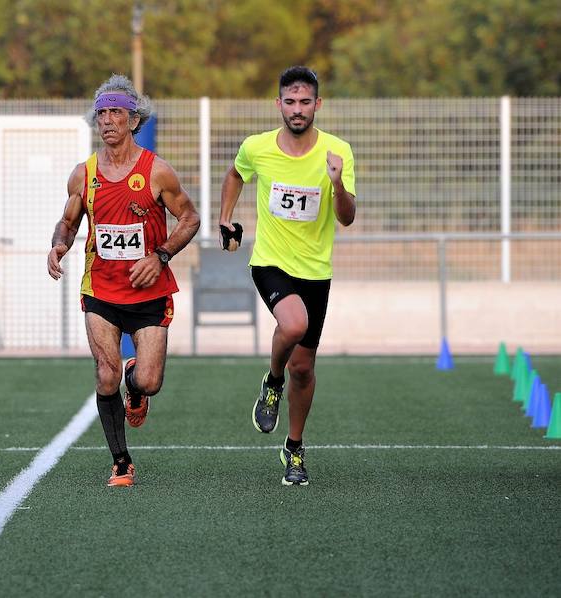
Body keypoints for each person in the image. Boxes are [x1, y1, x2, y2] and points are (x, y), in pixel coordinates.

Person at [47, 74, 200, 487]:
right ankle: (120, 462)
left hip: (149, 291)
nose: (108, 120)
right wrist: (59, 245)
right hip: (100, 290)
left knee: (148, 380)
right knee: (104, 373)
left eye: (116, 112)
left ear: (135, 120)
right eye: (101, 113)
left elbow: (190, 218)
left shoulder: (157, 172)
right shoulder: (84, 174)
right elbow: (67, 221)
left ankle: (136, 389)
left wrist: (161, 254)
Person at [219, 66, 356, 486]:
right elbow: (235, 174)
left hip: (316, 271)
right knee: (293, 324)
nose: (298, 110)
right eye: (290, 102)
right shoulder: (257, 147)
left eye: (306, 102)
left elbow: (347, 218)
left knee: (305, 369)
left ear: (318, 104)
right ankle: (271, 381)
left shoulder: (338, 152)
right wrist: (224, 220)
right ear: (278, 104)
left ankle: (294, 448)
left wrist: (336, 184)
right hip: (271, 261)